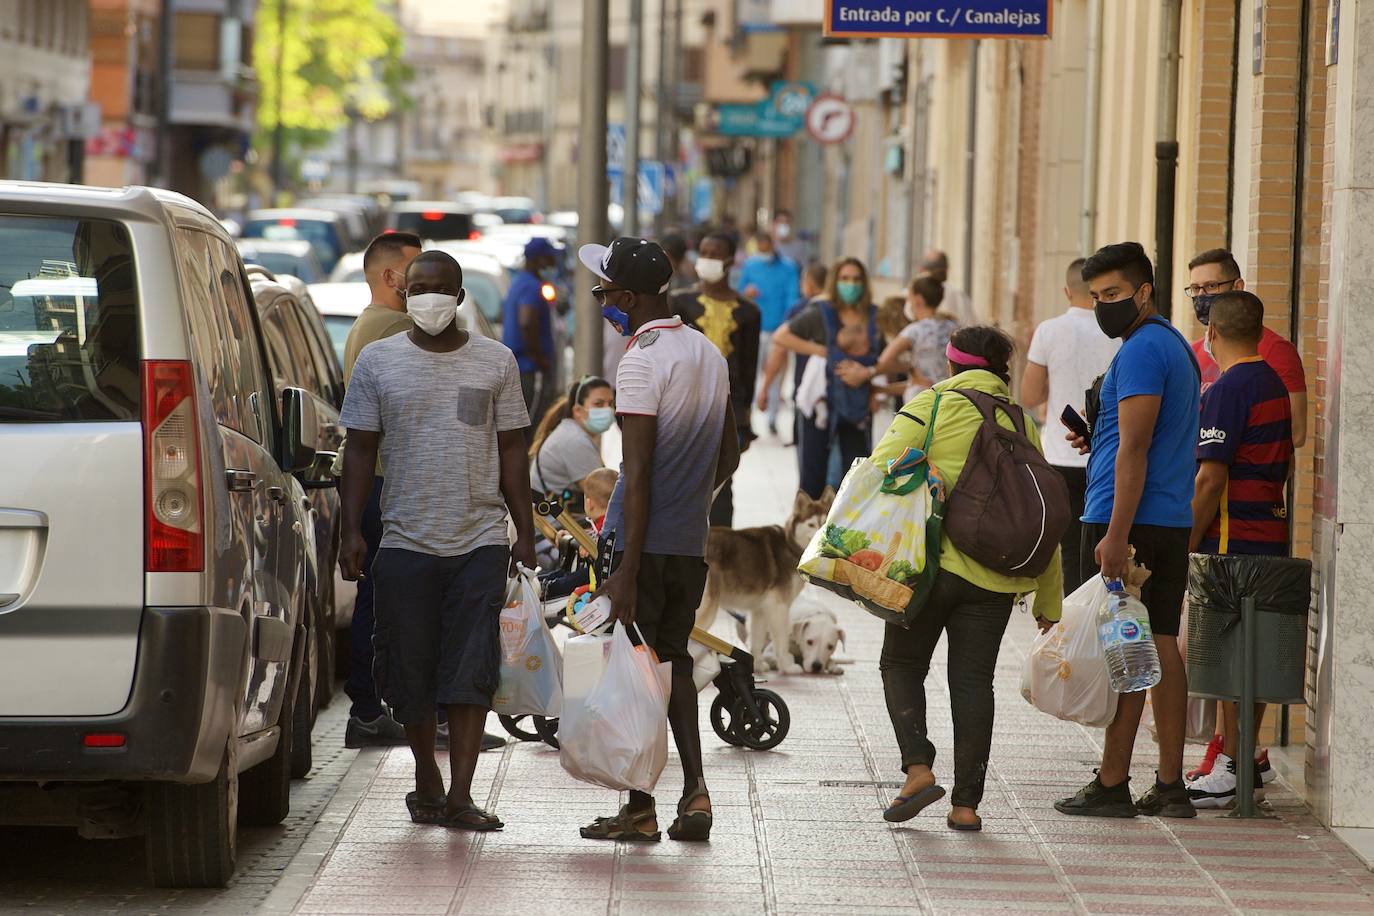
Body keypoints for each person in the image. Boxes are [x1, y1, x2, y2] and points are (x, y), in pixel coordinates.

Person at [338, 250, 536, 831]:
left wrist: (524, 531)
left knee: (472, 669)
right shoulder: (377, 362)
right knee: (410, 667)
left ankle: (461, 794)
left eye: (440, 288)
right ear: (404, 295)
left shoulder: (496, 362)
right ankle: (426, 774)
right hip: (403, 540)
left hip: (478, 539)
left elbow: (513, 449)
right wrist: (350, 528)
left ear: (458, 295)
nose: (428, 298)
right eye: (417, 288)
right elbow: (360, 448)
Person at [575, 236, 740, 843]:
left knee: (639, 672)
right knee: (670, 661)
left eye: (603, 292)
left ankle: (640, 808)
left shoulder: (642, 360)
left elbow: (637, 471)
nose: (601, 302)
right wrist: (689, 500)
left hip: (639, 545)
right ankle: (694, 793)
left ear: (626, 295)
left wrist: (625, 568)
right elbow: (730, 454)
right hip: (687, 543)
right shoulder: (706, 353)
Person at [871, 327, 1063, 831]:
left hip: (928, 569)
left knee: (901, 663)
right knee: (973, 682)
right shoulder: (1022, 421)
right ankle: (966, 806)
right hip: (995, 577)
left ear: (952, 365)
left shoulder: (932, 405)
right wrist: (1048, 598)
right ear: (1002, 370)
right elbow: (1040, 507)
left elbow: (880, 468)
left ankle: (917, 768)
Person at [1054, 242, 1201, 820]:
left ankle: (1113, 780)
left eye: (1112, 295)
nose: (1102, 306)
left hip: (1132, 519)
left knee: (1129, 648)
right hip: (1166, 514)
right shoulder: (1172, 345)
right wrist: (1100, 441)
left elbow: (1136, 446)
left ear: (1144, 292)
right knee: (1159, 641)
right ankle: (1169, 783)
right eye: (1095, 297)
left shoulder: (1141, 351)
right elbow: (1136, 438)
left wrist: (1115, 535)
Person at [1185, 291, 1294, 809]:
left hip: (1231, 540)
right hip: (1269, 534)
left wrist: (1187, 539)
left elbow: (1210, 477)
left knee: (1229, 656)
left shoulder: (1229, 388)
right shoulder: (1272, 381)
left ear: (1212, 335)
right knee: (1254, 655)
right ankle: (1245, 759)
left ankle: (1230, 765)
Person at [339, 230, 421, 749]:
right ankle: (370, 709)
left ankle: (372, 708)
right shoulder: (394, 327)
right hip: (389, 482)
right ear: (392, 276)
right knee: (384, 602)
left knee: (379, 598)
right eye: (417, 271)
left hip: (377, 482)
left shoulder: (365, 325)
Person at [1019, 258, 1121, 592]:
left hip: (1060, 455)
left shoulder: (1049, 331)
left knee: (1070, 548)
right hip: (1109, 455)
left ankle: (1073, 622)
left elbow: (1030, 395)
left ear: (1067, 291)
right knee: (1106, 545)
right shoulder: (1118, 332)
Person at [773, 257, 882, 499]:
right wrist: (822, 351)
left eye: (856, 279)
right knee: (812, 476)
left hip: (858, 406)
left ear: (864, 283)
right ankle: (806, 530)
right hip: (820, 404)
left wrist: (871, 378)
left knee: (857, 476)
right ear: (835, 282)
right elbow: (782, 336)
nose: (850, 284)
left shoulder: (874, 317)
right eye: (844, 279)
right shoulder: (820, 313)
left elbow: (889, 357)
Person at [673, 232, 761, 526]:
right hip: (686, 404)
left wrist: (746, 422)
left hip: (729, 408)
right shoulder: (679, 303)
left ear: (729, 260)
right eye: (704, 252)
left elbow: (748, 369)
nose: (707, 258)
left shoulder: (749, 312)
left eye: (715, 253)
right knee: (684, 480)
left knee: (722, 485)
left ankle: (721, 550)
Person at [1186, 248, 1307, 448]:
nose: (1201, 296)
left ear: (1238, 287)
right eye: (1195, 288)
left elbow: (1296, 432)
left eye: (1211, 286)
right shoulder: (1192, 352)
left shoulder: (1276, 350)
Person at [838, 276, 959, 403]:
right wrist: (881, 389)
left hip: (923, 405)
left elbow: (885, 360)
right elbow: (918, 382)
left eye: (908, 298)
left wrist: (866, 373)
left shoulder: (914, 331)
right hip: (949, 400)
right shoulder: (953, 326)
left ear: (918, 300)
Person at [739, 231, 801, 434]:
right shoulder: (750, 265)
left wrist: (787, 325)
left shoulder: (788, 268)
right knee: (751, 375)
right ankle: (749, 418)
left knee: (775, 375)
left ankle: (772, 417)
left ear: (772, 244)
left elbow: (793, 297)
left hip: (778, 329)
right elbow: (739, 292)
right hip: (753, 329)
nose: (763, 250)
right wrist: (746, 293)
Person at [758, 260, 828, 441]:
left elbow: (779, 351)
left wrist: (765, 388)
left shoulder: (800, 309)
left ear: (808, 285)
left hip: (807, 393)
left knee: (809, 463)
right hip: (840, 392)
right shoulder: (842, 309)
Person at [529, 375, 614, 508]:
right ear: (578, 411)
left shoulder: (571, 431)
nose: (607, 410)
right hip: (556, 524)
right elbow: (603, 495)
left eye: (610, 404)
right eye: (598, 404)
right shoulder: (575, 440)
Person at [502, 237, 560, 429]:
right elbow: (526, 322)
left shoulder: (519, 281)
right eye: (549, 259)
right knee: (534, 426)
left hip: (523, 367)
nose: (553, 264)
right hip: (530, 370)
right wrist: (539, 359)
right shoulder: (531, 286)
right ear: (538, 260)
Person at [919, 249, 976, 327]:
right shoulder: (958, 294)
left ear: (922, 270)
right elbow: (971, 324)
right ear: (947, 268)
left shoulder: (915, 292)